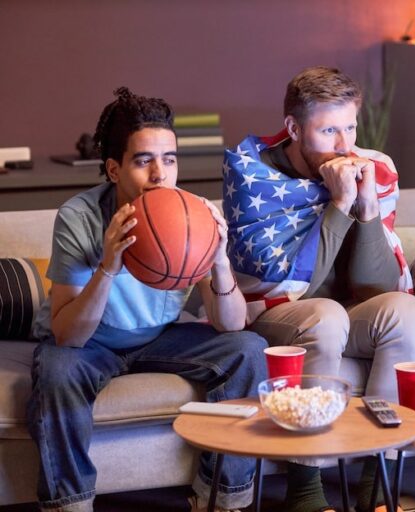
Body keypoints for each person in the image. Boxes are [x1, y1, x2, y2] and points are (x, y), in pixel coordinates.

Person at [27, 87, 267, 512]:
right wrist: (108, 266)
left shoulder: (191, 215)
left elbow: (231, 325)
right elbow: (67, 335)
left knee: (248, 350)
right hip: (90, 343)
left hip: (158, 338)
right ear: (113, 169)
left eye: (169, 160)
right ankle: (70, 505)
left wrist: (219, 260)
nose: (160, 175)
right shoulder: (79, 217)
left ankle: (222, 499)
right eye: (143, 161)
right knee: (57, 370)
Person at [223, 66, 415, 512]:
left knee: (408, 311)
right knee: (325, 314)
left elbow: (376, 287)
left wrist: (367, 207)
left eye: (350, 128)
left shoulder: (373, 169)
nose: (343, 145)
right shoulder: (255, 176)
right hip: (275, 315)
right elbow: (300, 288)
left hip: (343, 316)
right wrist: (338, 205)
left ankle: (378, 482)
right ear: (294, 128)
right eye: (328, 130)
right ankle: (306, 490)